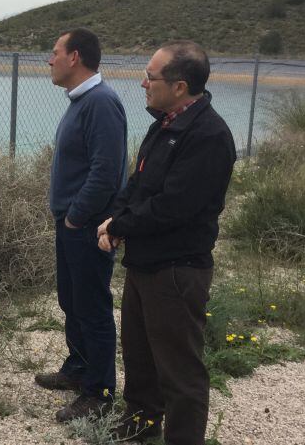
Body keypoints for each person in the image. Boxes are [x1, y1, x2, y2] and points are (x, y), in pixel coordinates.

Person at [97, 41, 236, 444]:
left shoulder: (208, 135)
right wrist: (117, 221)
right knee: (140, 359)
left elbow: (173, 207)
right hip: (145, 263)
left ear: (179, 86)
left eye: (151, 77)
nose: (143, 83)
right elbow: (138, 184)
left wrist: (120, 224)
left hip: (176, 270)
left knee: (179, 370)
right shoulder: (164, 125)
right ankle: (140, 428)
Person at [33, 29, 128, 422]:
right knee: (72, 301)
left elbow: (106, 172)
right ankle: (78, 368)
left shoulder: (101, 103)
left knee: (91, 307)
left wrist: (75, 217)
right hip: (71, 223)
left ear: (74, 57)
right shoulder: (82, 100)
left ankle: (99, 393)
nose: (49, 60)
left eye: (54, 53)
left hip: (85, 226)